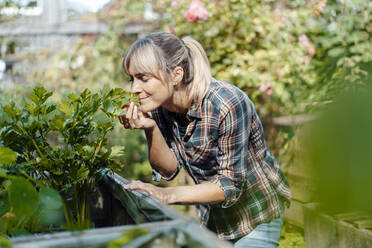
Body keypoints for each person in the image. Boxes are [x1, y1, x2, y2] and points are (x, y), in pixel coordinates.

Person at [119, 32, 291, 247]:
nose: (134, 89)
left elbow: (230, 185)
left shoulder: (227, 104)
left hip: (256, 214)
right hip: (215, 219)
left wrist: (167, 195)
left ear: (176, 75)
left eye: (144, 78)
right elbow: (168, 170)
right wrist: (150, 128)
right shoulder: (161, 108)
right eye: (132, 79)